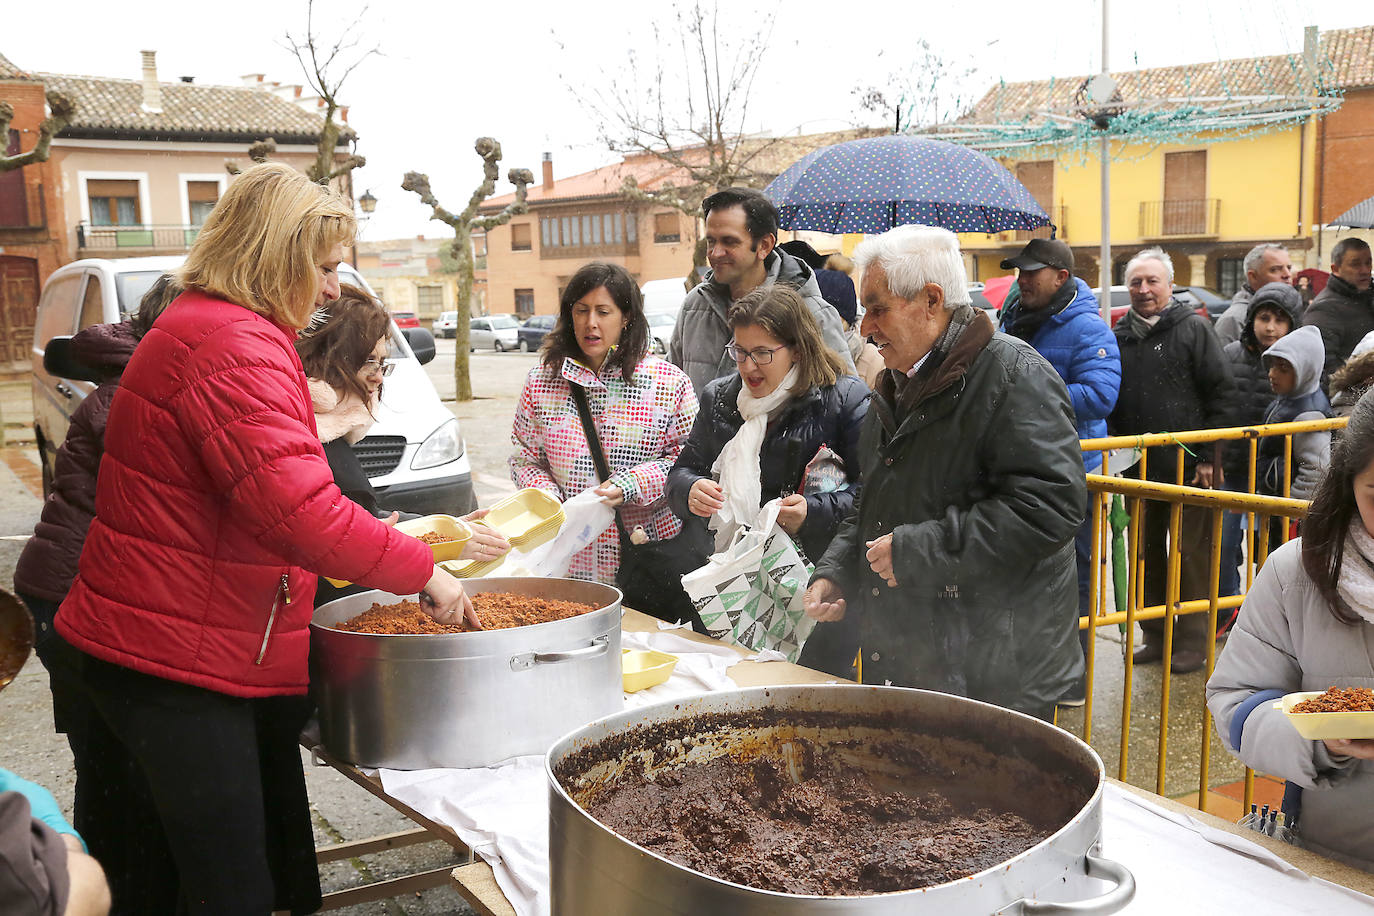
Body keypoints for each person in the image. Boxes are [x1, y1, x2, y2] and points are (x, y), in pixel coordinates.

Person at [54, 162, 474, 915]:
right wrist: (426, 570)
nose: (334, 288)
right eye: (323, 268)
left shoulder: (209, 325)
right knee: (230, 889)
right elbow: (301, 513)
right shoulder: (231, 342)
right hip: (174, 662)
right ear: (273, 255)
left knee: (155, 873)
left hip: (151, 644)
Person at [801, 225, 1086, 721]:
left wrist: (916, 550)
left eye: (878, 307)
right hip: (923, 652)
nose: (864, 326)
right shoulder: (895, 382)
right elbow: (876, 500)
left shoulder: (1017, 377)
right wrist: (838, 572)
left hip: (998, 670)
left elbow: (1049, 510)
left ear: (932, 300)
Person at [1207, 388, 1374, 870]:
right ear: (1348, 483)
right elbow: (1236, 702)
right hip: (1336, 863)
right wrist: (1319, 743)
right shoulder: (1297, 573)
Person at [667, 284, 870, 675]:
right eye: (740, 351)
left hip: (814, 590)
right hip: (732, 589)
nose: (748, 366)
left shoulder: (844, 399)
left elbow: (873, 494)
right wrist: (689, 489)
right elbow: (681, 471)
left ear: (797, 348)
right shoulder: (719, 399)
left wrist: (812, 512)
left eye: (763, 353)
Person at [511, 261, 704, 624]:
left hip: (647, 553)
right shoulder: (541, 382)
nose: (590, 323)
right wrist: (548, 498)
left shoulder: (666, 382)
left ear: (626, 316)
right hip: (571, 557)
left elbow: (688, 461)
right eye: (581, 311)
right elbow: (524, 459)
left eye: (603, 311)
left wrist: (633, 483)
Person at [295, 284, 511, 606]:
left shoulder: (327, 431)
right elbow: (345, 545)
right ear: (325, 359)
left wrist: (445, 529)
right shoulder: (306, 440)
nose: (378, 377)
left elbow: (369, 520)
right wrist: (443, 545)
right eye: (368, 361)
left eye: (382, 363)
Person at [998, 238, 1121, 706]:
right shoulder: (1015, 318)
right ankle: (1034, 672)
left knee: (1076, 578)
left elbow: (1100, 395)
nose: (1022, 279)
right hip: (1023, 469)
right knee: (1031, 577)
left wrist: (1027, 387)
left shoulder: (1088, 327)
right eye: (1019, 272)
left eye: (1033, 272)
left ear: (1061, 277)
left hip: (1075, 475)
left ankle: (1074, 678)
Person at [1109, 247, 1234, 674]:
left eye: (1152, 281)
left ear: (1169, 285)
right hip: (1140, 468)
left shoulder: (1195, 329)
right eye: (1136, 283)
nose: (1144, 290)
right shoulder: (1119, 335)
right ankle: (1155, 636)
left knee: (1193, 555)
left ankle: (1194, 642)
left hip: (1191, 467)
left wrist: (1210, 458)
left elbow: (1222, 394)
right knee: (1146, 556)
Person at [669, 188, 854, 392]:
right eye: (711, 241)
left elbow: (845, 400)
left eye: (729, 242)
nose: (715, 252)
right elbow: (671, 390)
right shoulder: (694, 305)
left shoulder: (813, 312)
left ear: (764, 246)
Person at [1217, 282, 1302, 601]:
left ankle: (1270, 611)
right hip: (1234, 469)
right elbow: (1219, 408)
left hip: (1274, 475)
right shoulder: (1230, 355)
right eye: (1264, 317)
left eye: (1280, 320)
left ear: (1293, 324)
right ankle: (1227, 608)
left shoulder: (1299, 363)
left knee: (1274, 550)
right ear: (1251, 318)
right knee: (1223, 544)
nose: (1271, 327)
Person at [1258, 325, 1332, 502]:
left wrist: (1289, 515)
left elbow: (1315, 473)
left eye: (1283, 368)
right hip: (1273, 500)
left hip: (1283, 513)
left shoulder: (1309, 415)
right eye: (1272, 365)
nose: (1272, 374)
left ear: (1305, 371)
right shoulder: (1289, 398)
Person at [1306, 238, 1374, 383]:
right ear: (1335, 269)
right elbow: (1324, 369)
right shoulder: (1323, 310)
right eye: (1355, 264)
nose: (1365, 270)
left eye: (1368, 262)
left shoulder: (1368, 297)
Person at [1213, 244, 1294, 347]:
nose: (1287, 275)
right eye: (1275, 269)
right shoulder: (1234, 319)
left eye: (1289, 268)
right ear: (1253, 277)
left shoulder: (1292, 312)